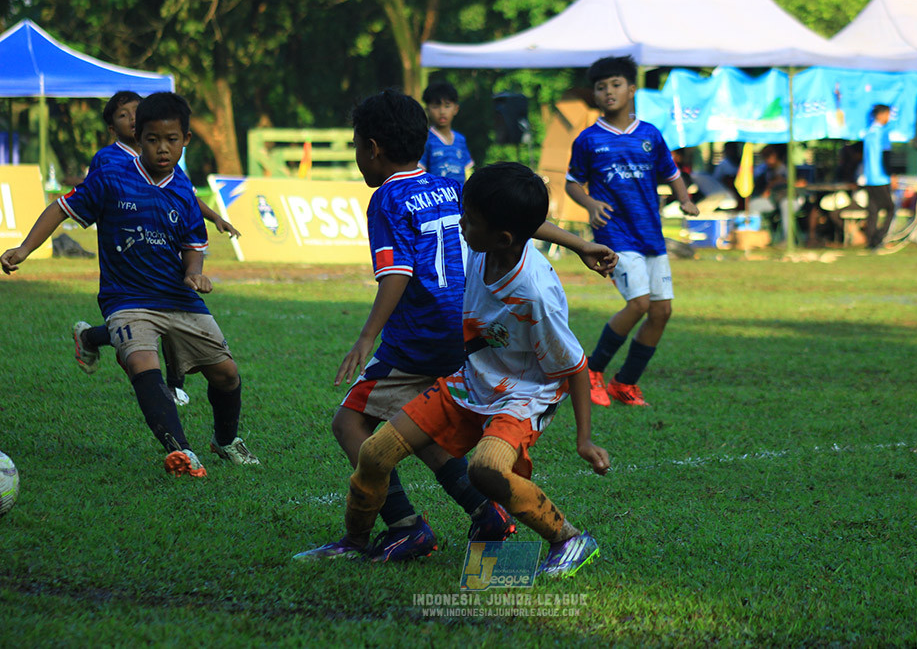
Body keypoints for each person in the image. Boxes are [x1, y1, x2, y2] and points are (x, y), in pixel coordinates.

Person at [293, 90, 617, 563]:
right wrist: (579, 243)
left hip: (470, 367)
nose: (462, 223)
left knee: (366, 428)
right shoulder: (462, 210)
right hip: (468, 361)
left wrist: (367, 338)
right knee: (395, 444)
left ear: (372, 148)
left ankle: (554, 536)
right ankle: (376, 537)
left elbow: (573, 363)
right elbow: (513, 219)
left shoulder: (531, 292)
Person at [2, 92, 258, 476]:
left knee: (227, 374)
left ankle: (225, 441)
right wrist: (24, 248)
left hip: (178, 297)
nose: (162, 148)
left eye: (171, 140)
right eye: (152, 139)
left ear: (186, 139)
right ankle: (182, 453)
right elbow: (61, 207)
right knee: (141, 363)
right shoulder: (110, 176)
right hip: (127, 299)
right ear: (138, 137)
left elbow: (193, 245)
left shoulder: (184, 190)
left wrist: (194, 272)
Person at [73, 91, 242, 407]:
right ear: (115, 127)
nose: (132, 118)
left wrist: (215, 218)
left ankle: (171, 383)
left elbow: (185, 198)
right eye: (124, 115)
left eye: (136, 111)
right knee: (140, 323)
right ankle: (161, 384)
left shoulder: (169, 164)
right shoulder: (108, 162)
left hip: (165, 268)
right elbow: (82, 200)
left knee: (166, 319)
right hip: (128, 263)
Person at [564, 55, 699, 408]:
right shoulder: (589, 139)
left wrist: (684, 199)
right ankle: (592, 371)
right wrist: (591, 204)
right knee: (638, 303)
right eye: (600, 86)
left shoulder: (650, 135)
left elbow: (671, 173)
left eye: (616, 84)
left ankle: (625, 383)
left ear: (632, 88)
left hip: (650, 235)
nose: (608, 92)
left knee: (661, 311)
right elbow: (572, 183)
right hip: (615, 235)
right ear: (594, 93)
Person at [419, 82, 473, 183]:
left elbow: (467, 171)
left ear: (456, 109)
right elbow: (420, 172)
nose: (442, 111)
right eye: (436, 106)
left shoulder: (460, 140)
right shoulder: (425, 139)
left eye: (447, 106)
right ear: (427, 109)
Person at [862, 104, 895, 249]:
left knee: (873, 211)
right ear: (880, 115)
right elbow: (886, 156)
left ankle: (871, 241)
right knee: (891, 209)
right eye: (887, 114)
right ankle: (878, 238)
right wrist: (892, 175)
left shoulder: (868, 132)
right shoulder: (882, 133)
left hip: (869, 177)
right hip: (881, 177)